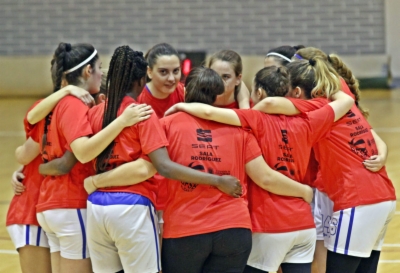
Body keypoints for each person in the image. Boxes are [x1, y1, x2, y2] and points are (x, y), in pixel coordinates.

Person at [165, 61, 354, 273]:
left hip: (269, 224)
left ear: (261, 92)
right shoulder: (310, 121)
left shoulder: (254, 120)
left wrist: (182, 105)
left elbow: (211, 115)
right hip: (303, 224)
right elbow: (346, 100)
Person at [83, 45, 246, 273]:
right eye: (163, 72)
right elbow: (157, 167)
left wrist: (95, 182)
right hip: (136, 205)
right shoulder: (145, 113)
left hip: (98, 205)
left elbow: (81, 153)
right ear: (145, 75)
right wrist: (218, 180)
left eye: (176, 71)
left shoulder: (95, 111)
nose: (171, 79)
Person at [255, 54, 396, 273]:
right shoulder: (341, 101)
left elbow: (271, 103)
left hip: (358, 200)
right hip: (383, 197)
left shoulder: (319, 107)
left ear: (298, 92)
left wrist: (248, 113)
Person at [19, 42, 151, 273]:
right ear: (88, 71)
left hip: (50, 203)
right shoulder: (75, 104)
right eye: (100, 67)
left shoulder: (55, 103)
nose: (103, 74)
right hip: (71, 201)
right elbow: (81, 151)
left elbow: (31, 120)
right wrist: (122, 121)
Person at [291, 47, 388, 273]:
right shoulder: (339, 94)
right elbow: (374, 136)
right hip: (361, 192)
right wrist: (382, 153)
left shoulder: (322, 99)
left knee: (323, 262)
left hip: (339, 192)